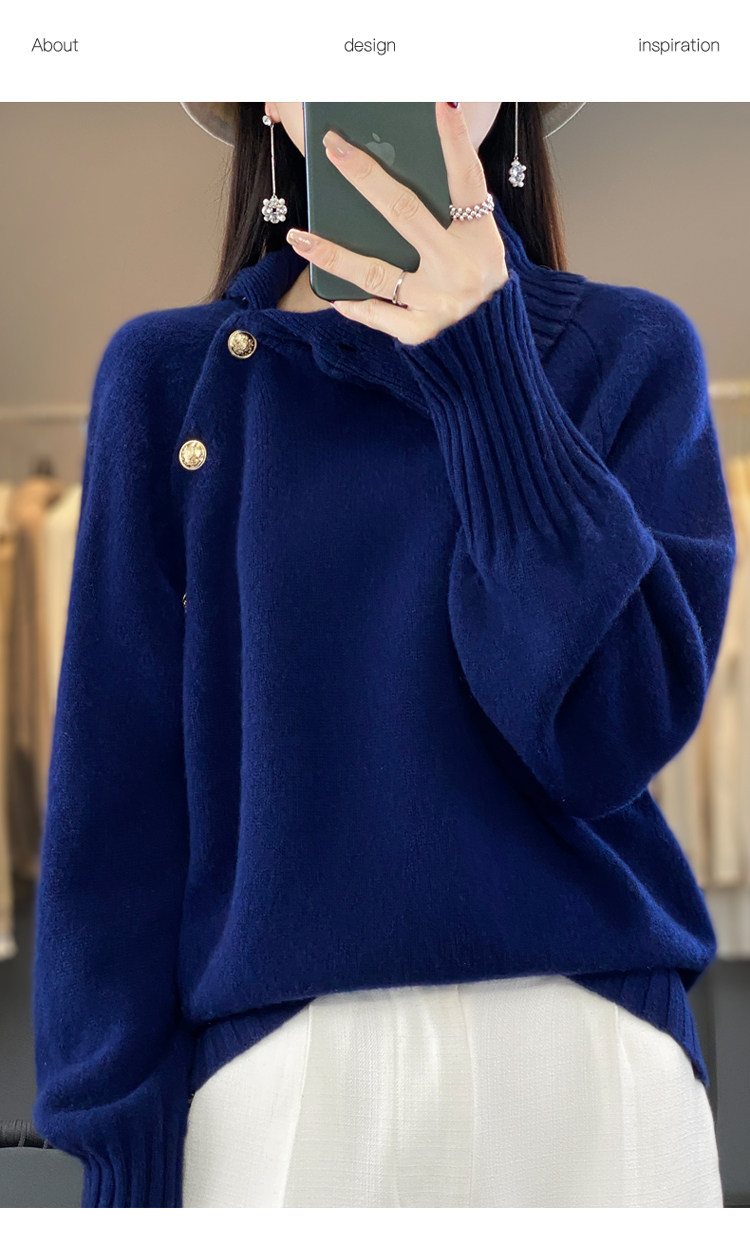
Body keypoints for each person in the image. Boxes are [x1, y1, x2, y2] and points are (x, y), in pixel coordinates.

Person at [31, 101, 733, 1208]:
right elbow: (112, 812)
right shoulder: (169, 380)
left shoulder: (630, 354)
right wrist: (120, 1155)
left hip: (591, 1058)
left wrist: (486, 365)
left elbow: (605, 737)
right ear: (265, 86)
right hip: (278, 1085)